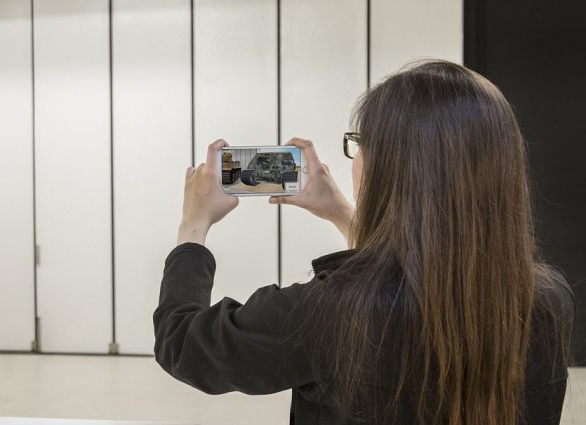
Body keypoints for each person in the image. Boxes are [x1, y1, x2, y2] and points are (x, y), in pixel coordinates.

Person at [153, 61, 574, 425]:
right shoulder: (548, 303)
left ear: (387, 167)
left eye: (359, 146)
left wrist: (194, 227)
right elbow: (419, 278)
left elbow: (183, 344)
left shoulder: (326, 314)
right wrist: (340, 212)